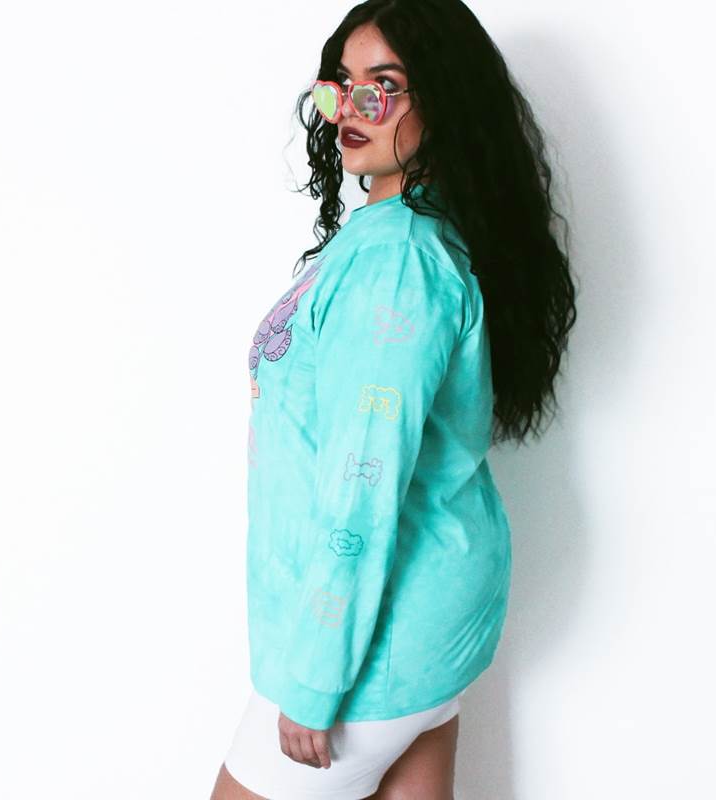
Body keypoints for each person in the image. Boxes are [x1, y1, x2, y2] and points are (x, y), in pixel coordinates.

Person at [212, 0, 577, 797]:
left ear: (441, 102)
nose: (352, 108)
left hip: (369, 644)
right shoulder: (402, 235)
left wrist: (314, 678)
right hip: (425, 623)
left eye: (383, 86)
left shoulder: (397, 259)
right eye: (341, 84)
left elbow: (362, 480)